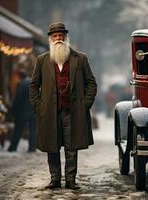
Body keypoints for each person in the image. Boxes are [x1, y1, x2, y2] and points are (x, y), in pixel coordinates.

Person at [29, 22, 97, 190]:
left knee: (72, 147)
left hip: (73, 112)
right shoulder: (42, 60)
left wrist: (85, 105)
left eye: (61, 36)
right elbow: (33, 85)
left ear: (66, 38)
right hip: (50, 112)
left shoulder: (80, 58)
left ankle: (71, 180)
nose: (58, 38)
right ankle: (55, 179)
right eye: (55, 36)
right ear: (50, 39)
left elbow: (91, 83)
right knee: (52, 146)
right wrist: (39, 106)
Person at [8, 68, 36, 152]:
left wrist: (13, 110)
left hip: (22, 112)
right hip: (33, 112)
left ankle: (13, 147)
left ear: (20, 76)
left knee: (18, 130)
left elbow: (17, 99)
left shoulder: (21, 84)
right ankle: (32, 148)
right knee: (32, 131)